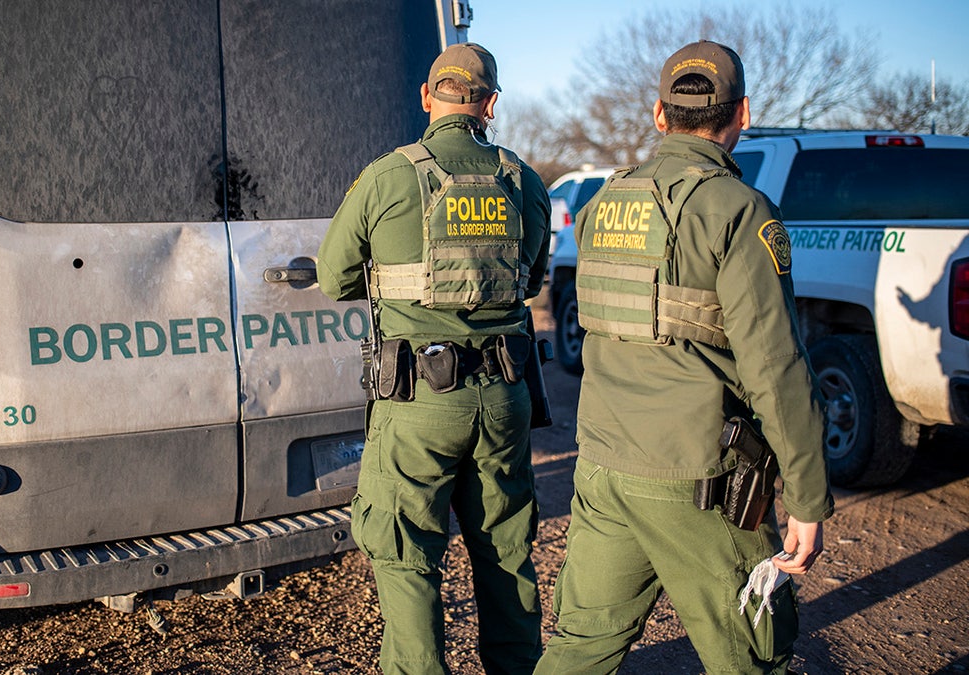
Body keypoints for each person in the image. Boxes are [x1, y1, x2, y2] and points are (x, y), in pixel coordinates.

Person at [534, 41, 833, 674]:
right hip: (697, 477)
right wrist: (807, 497)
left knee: (579, 651)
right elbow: (775, 367)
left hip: (604, 465)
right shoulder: (741, 213)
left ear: (658, 114)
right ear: (742, 113)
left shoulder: (600, 205)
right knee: (754, 657)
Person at [317, 43, 551, 675]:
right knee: (506, 550)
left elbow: (335, 278)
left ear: (427, 97)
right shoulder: (522, 179)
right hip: (504, 395)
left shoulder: (387, 175)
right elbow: (529, 282)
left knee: (406, 553)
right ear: (490, 105)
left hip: (418, 400)